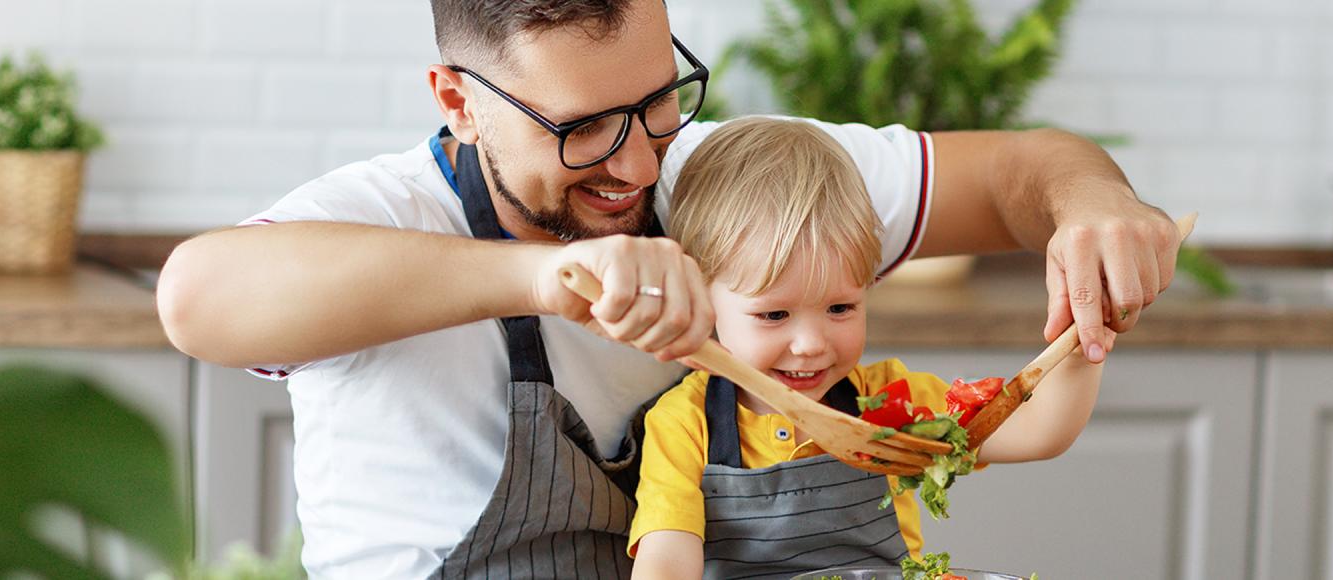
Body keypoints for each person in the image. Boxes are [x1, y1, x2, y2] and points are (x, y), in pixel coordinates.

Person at [154, 1, 1179, 577]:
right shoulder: (380, 215)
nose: (638, 168)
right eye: (581, 130)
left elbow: (1023, 170)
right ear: (458, 101)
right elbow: (197, 297)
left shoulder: (740, 183)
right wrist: (545, 274)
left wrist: (1092, 203)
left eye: (655, 104)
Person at [625, 117, 1104, 579]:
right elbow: (667, 558)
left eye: (840, 308)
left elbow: (1039, 431)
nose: (811, 345)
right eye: (774, 315)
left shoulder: (895, 402)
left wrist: (1085, 340)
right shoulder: (685, 424)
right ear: (701, 302)